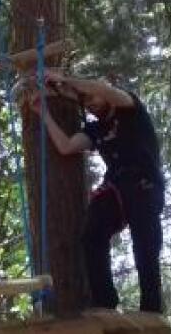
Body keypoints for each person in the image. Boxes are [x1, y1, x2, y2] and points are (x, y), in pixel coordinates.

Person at [28, 70, 164, 312]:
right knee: (92, 234)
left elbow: (102, 89)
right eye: (85, 102)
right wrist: (44, 114)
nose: (89, 104)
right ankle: (105, 303)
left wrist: (66, 81)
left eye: (91, 98)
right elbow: (66, 146)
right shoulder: (95, 129)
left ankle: (151, 310)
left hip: (144, 184)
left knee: (145, 245)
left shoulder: (129, 107)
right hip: (116, 187)